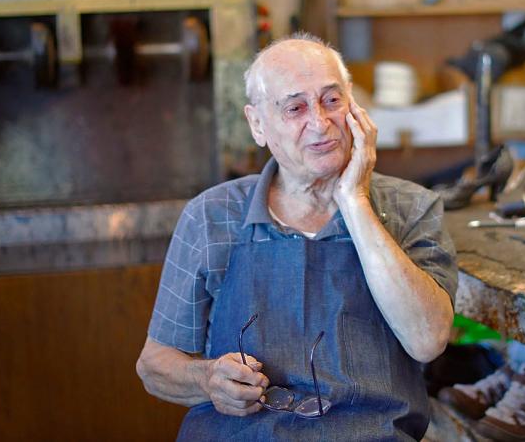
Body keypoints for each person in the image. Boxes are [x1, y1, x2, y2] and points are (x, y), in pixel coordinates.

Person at [136, 33, 458, 440]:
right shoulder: (212, 216)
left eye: (332, 100)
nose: (320, 123)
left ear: (355, 107)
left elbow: (427, 340)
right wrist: (206, 379)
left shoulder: (411, 208)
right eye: (295, 108)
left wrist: (354, 201)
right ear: (257, 124)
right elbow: (154, 364)